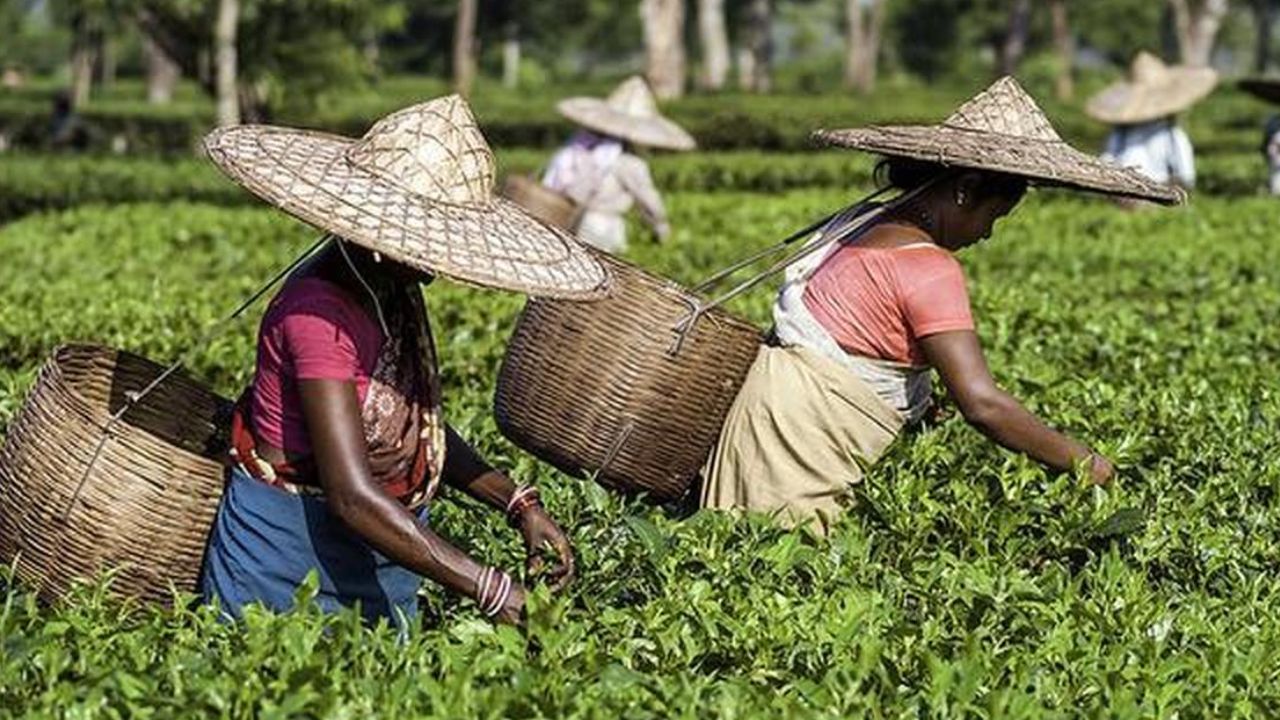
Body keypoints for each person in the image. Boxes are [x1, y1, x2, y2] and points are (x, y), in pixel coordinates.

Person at [200, 94, 611, 629]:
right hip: (285, 574)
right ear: (377, 239)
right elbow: (351, 496)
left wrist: (518, 503)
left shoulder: (386, 288)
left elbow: (416, 427)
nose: (436, 265)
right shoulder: (318, 314)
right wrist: (490, 588)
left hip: (377, 560)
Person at [700, 77, 1184, 530]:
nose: (987, 233)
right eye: (994, 216)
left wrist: (916, 397)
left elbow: (859, 341)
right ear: (965, 191)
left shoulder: (863, 222)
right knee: (785, 555)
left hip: (761, 428)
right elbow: (983, 404)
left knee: (742, 546)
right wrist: (1090, 465)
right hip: (799, 452)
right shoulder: (930, 267)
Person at [543, 76, 695, 254]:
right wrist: (662, 228)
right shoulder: (629, 163)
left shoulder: (586, 150)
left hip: (577, 219)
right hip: (605, 226)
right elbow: (648, 199)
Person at [1087, 52, 1217, 190]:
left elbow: (1185, 177)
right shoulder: (1122, 131)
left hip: (1158, 191)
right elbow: (1106, 164)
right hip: (1124, 191)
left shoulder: (1171, 133)